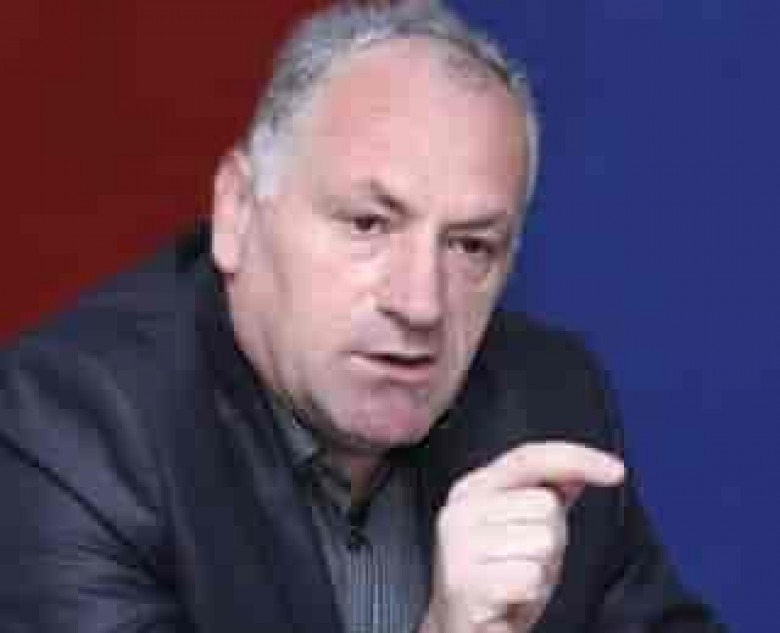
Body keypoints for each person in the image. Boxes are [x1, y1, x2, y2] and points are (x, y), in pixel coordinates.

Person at [0, 2, 725, 632]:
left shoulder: (548, 399)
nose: (419, 303)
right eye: (369, 224)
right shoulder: (72, 426)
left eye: (470, 245)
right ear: (238, 210)